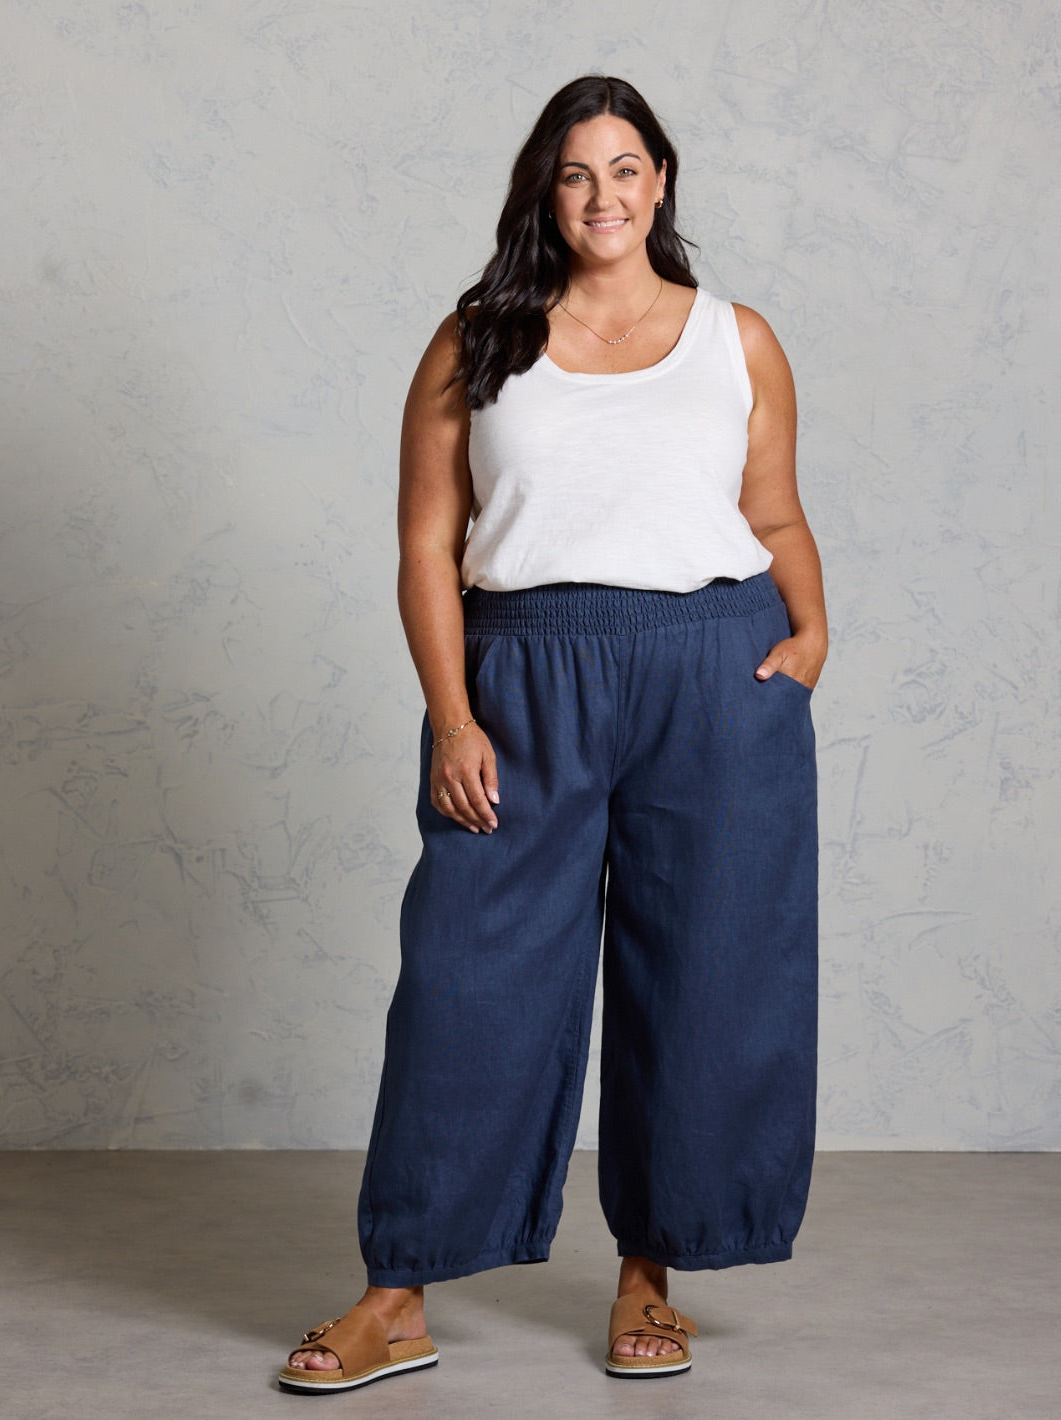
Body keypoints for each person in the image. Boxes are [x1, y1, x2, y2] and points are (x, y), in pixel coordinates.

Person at [279, 74, 826, 1392]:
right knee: (467, 989)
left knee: (702, 983)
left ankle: (652, 1276)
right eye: (577, 173)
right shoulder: (477, 340)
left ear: (661, 181)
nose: (604, 196)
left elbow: (776, 514)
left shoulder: (732, 339)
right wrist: (454, 712)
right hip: (521, 681)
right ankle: (395, 1294)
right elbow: (424, 544)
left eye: (626, 167)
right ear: (545, 187)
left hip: (710, 674)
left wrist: (808, 639)